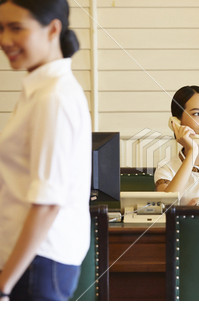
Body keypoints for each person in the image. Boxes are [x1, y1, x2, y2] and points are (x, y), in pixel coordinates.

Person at [0, 0, 92, 301]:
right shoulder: (39, 91)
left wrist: (3, 285)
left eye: (16, 28)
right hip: (31, 259)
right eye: (0, 28)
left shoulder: (53, 98)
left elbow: (48, 202)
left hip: (37, 263)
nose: (4, 40)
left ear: (53, 29)